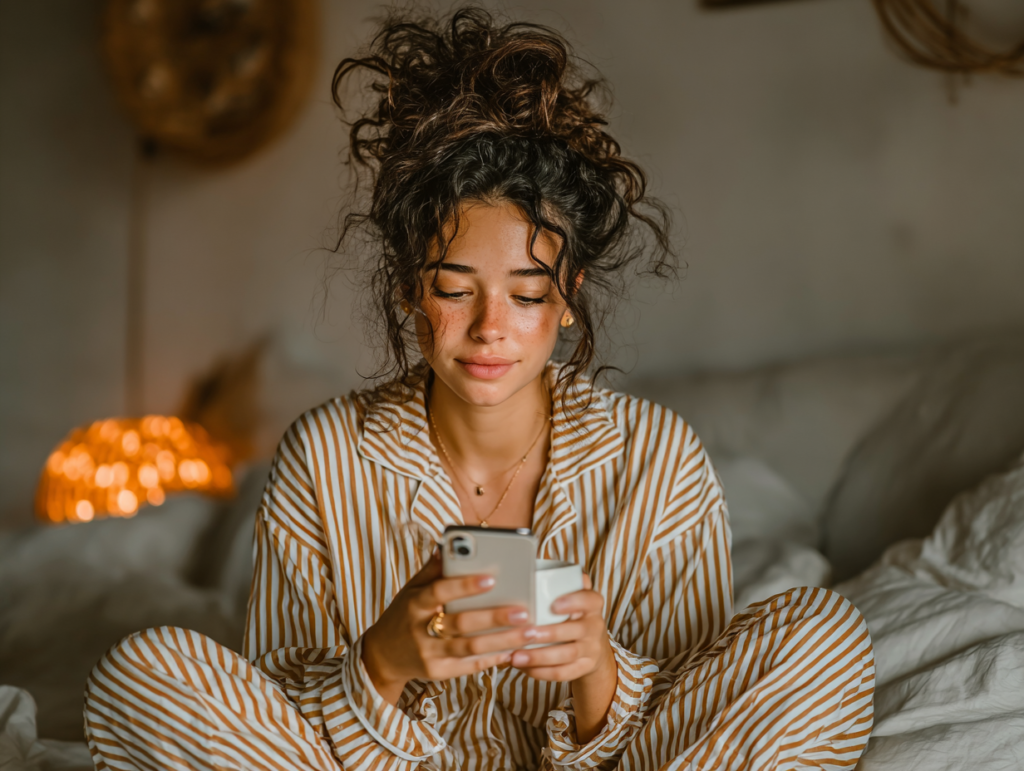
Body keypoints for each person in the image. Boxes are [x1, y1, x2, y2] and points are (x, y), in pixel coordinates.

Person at [83, 8, 874, 770]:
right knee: (142, 674)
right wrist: (381, 665)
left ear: (568, 296)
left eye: (528, 295)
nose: (491, 326)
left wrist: (598, 669)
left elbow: (687, 718)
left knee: (823, 634)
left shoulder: (659, 459)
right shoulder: (322, 458)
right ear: (406, 288)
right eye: (455, 288)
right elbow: (278, 721)